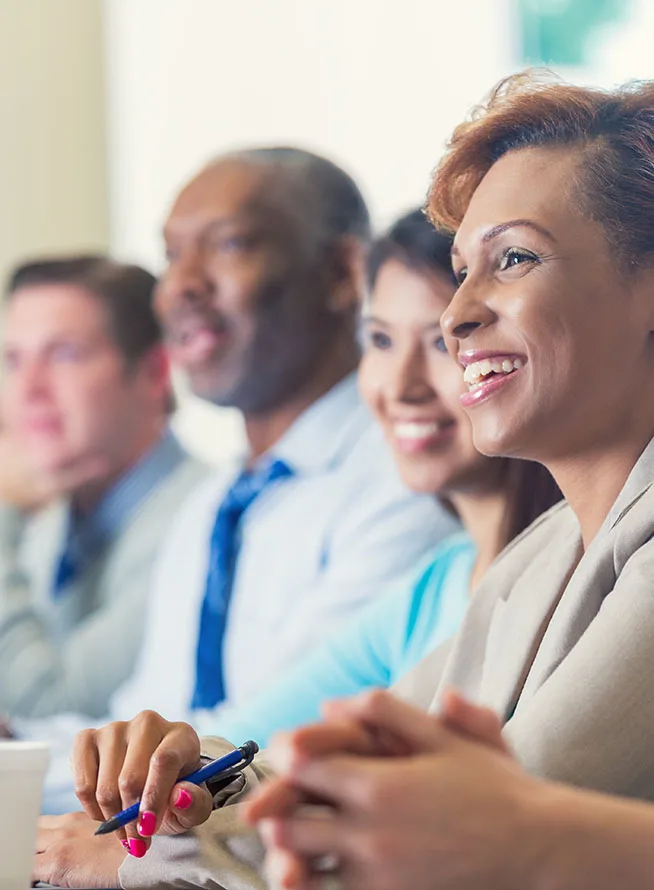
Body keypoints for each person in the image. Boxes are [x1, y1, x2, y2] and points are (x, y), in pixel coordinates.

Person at [32, 71, 654, 889]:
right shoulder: (541, 555)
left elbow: (470, 832)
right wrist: (195, 776)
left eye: (514, 258)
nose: (456, 313)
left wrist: (140, 853)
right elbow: (341, 765)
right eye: (464, 268)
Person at [201, 208, 560, 749]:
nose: (401, 387)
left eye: (441, 344)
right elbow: (242, 743)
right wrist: (161, 769)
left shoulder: (579, 570)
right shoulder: (437, 582)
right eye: (381, 341)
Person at [0, 256, 207, 720]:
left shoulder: (201, 518)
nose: (27, 388)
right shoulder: (45, 520)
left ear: (155, 372)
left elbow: (49, 711)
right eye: (14, 360)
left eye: (64, 354)